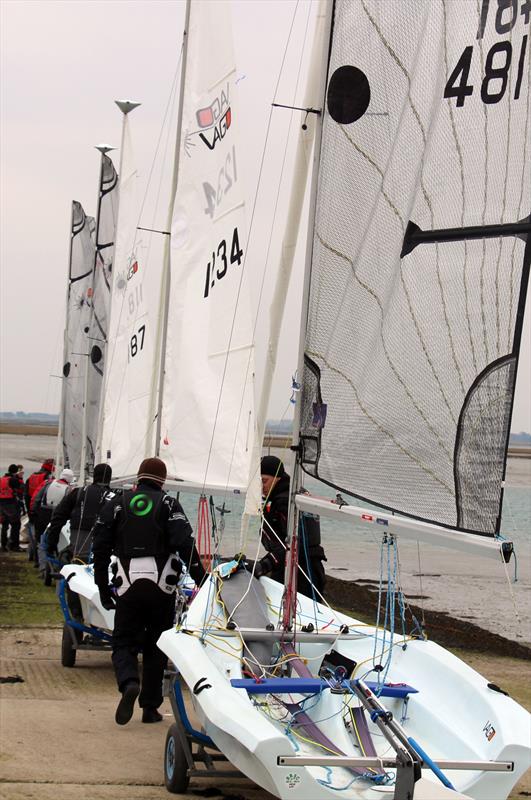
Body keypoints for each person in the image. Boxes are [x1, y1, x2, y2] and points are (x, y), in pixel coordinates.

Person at [92, 457, 206, 726]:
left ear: (139, 476)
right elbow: (185, 544)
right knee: (157, 645)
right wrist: (204, 581)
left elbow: (99, 547)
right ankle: (150, 707)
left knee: (122, 641)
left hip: (127, 584)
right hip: (161, 586)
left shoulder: (117, 502)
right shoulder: (168, 503)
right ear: (162, 480)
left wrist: (101, 585)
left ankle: (129, 681)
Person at [253, 455, 326, 599]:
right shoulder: (296, 492)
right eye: (258, 483)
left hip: (300, 572)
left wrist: (262, 566)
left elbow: (288, 545)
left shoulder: (284, 501)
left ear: (277, 477)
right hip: (310, 568)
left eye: (264, 481)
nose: (261, 487)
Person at [46, 463, 112, 563]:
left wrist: (52, 543)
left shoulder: (77, 492)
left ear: (94, 476)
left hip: (77, 541)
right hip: (102, 544)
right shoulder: (114, 497)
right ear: (109, 478)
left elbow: (58, 517)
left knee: (76, 559)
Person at [31, 468, 75, 571]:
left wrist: (34, 512)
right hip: (57, 516)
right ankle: (55, 566)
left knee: (41, 540)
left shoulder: (48, 484)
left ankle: (41, 565)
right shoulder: (69, 489)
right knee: (55, 540)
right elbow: (69, 506)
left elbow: (38, 498)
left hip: (43, 514)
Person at [25, 459, 54, 561]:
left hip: (32, 509)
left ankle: (33, 555)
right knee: (41, 536)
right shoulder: (47, 479)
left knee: (34, 535)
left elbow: (27, 495)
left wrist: (29, 510)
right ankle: (39, 559)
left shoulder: (31, 477)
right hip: (42, 511)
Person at [0, 464, 23, 551]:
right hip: (11, 504)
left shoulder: (2, 479)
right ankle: (14, 545)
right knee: (16, 525)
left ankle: (3, 546)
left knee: (4, 525)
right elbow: (21, 488)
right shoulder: (13, 480)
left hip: (1, 505)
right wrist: (20, 478)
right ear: (15, 471)